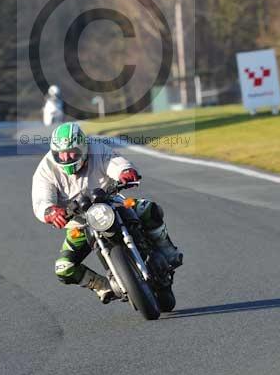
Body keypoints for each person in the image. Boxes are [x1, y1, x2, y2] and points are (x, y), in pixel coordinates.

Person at [31, 122, 183, 303]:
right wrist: (50, 211)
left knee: (148, 209)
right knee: (63, 268)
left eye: (71, 152)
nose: (66, 158)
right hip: (79, 223)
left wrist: (125, 171)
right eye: (61, 154)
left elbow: (114, 161)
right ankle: (103, 286)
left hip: (111, 204)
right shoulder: (46, 169)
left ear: (83, 146)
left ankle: (168, 251)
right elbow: (41, 198)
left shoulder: (96, 148)